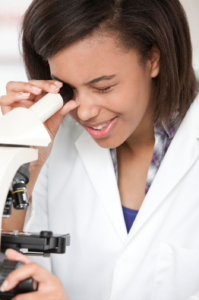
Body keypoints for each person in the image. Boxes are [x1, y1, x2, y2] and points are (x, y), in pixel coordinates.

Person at [0, 0, 199, 299]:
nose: (85, 112)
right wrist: (21, 160)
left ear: (153, 59)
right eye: (69, 88)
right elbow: (13, 265)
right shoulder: (55, 141)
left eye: (103, 87)